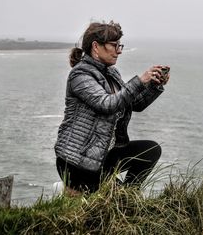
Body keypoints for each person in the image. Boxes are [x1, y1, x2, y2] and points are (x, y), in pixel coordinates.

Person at [54, 21, 169, 194]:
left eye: (120, 45)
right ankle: (122, 198)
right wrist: (140, 80)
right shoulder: (80, 74)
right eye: (114, 46)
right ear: (96, 47)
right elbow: (106, 104)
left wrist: (153, 85)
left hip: (103, 155)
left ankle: (129, 194)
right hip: (77, 161)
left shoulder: (111, 72)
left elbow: (135, 104)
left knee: (151, 150)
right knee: (117, 200)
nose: (119, 51)